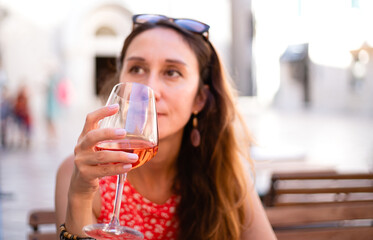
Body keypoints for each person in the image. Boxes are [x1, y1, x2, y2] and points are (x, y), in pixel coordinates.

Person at [55, 14, 276, 240]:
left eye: (172, 72)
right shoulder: (84, 173)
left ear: (200, 98)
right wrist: (80, 195)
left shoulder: (225, 170)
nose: (151, 89)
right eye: (137, 69)